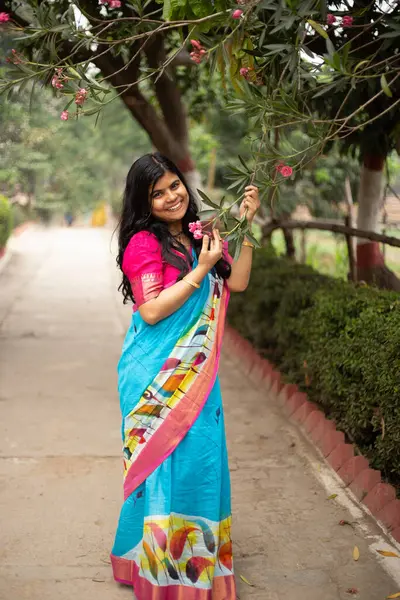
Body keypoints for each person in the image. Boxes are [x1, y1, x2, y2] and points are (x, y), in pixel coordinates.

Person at [111, 152, 260, 599]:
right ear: (144, 201)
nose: (171, 196)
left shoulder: (204, 233)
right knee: (164, 466)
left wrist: (245, 227)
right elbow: (152, 310)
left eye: (174, 185)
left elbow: (237, 284)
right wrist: (199, 269)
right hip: (155, 375)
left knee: (201, 461)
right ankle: (160, 569)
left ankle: (196, 562)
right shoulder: (143, 243)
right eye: (158, 193)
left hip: (199, 375)